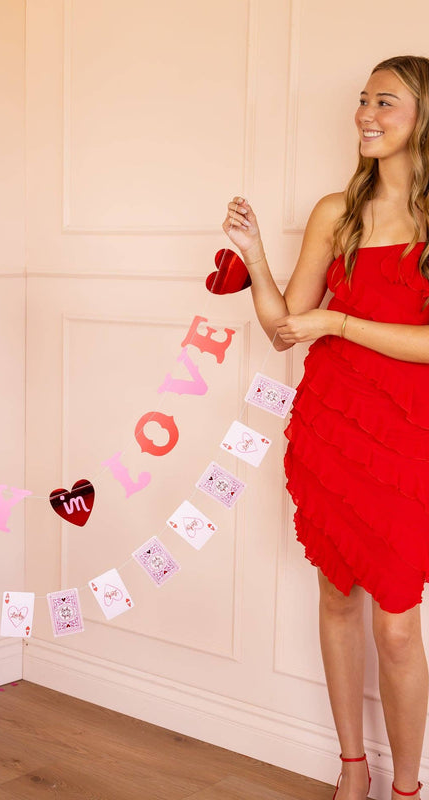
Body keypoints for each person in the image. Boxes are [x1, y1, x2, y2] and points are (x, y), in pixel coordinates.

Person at [224, 55, 429, 800]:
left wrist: (341, 319)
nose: (368, 113)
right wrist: (255, 262)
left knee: (398, 626)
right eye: (363, 100)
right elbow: (285, 327)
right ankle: (353, 770)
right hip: (333, 424)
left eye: (388, 101)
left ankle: (408, 789)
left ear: (424, 117)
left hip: (410, 438)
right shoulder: (334, 212)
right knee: (338, 597)